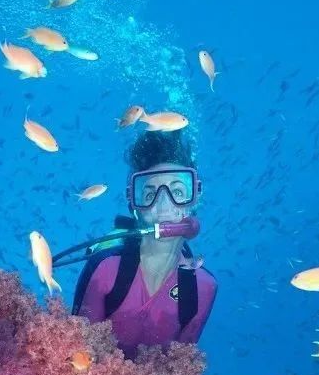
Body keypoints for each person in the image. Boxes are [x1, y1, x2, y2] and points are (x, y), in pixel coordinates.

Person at [72, 129, 217, 357]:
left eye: (178, 192)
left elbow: (180, 371)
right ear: (134, 205)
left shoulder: (203, 288)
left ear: (195, 198)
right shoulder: (105, 270)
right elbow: (77, 356)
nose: (163, 207)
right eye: (149, 195)